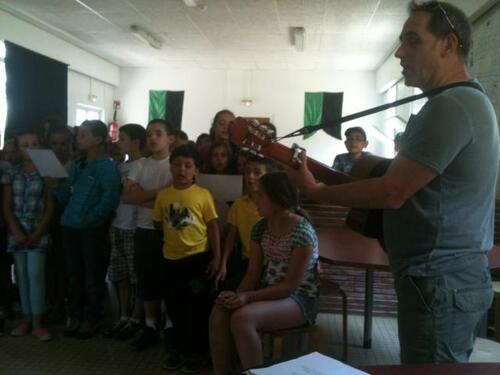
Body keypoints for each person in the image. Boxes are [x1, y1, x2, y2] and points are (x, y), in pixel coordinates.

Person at [287, 1, 499, 364]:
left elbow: (392, 191)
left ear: (448, 44)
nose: (400, 51)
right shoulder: (459, 103)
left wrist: (316, 192)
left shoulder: (451, 106)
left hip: (439, 281)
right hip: (440, 280)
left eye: (412, 41)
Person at [209, 172, 320, 373]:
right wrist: (237, 296)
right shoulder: (260, 228)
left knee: (242, 318)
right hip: (268, 292)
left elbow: (289, 287)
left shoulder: (302, 233)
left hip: (300, 299)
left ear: (277, 199)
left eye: (260, 195)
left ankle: (255, 372)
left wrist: (247, 297)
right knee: (220, 310)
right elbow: (252, 274)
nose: (254, 198)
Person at [152, 144, 220, 374]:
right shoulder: (163, 195)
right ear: (170, 167)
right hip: (170, 261)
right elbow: (158, 223)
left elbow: (213, 227)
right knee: (174, 307)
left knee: (197, 309)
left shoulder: (203, 195)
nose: (182, 169)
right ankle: (178, 350)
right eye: (177, 164)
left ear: (196, 170)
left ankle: (197, 353)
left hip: (197, 261)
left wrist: (217, 257)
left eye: (188, 165)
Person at [54, 120, 121, 339]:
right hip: (69, 226)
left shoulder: (107, 167)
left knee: (93, 275)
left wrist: (91, 219)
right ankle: (75, 315)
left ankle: (91, 317)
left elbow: (109, 199)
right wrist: (54, 187)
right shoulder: (77, 165)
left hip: (91, 230)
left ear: (99, 140)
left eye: (83, 135)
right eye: (78, 135)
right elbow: (65, 195)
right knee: (73, 274)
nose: (78, 139)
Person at [122, 119, 174, 351]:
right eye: (149, 134)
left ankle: (171, 325)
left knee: (169, 280)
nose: (153, 138)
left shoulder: (177, 163)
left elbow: (177, 199)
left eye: (158, 133)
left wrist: (146, 196)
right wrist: (161, 193)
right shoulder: (140, 165)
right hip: (144, 230)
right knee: (147, 280)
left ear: (169, 138)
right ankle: (151, 326)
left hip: (171, 232)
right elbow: (128, 198)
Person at [2, 130, 54, 341]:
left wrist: (39, 231)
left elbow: (50, 206)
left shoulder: (46, 171)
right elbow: (6, 207)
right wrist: (16, 230)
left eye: (34, 144)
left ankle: (37, 322)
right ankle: (25, 319)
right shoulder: (11, 172)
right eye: (25, 145)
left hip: (38, 233)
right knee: (22, 276)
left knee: (36, 276)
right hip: (17, 233)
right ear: (18, 148)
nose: (30, 148)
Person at [103, 124, 146, 339]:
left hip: (134, 227)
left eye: (123, 139)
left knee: (135, 275)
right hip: (117, 225)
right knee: (119, 274)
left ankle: (136, 317)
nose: (118, 143)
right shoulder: (121, 167)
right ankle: (123, 315)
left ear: (136, 142)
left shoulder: (145, 166)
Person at [215, 155, 276, 290]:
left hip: (272, 263)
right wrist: (223, 263)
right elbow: (231, 236)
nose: (250, 176)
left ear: (268, 176)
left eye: (257, 172)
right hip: (248, 261)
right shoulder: (238, 205)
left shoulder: (275, 204)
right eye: (247, 172)